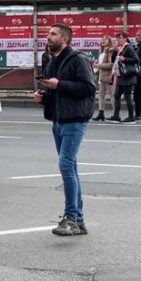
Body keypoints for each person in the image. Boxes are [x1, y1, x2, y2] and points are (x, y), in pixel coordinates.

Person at [34, 24, 96, 237]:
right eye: (48, 34)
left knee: (66, 165)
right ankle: (78, 220)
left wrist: (58, 85)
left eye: (53, 34)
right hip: (58, 120)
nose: (48, 37)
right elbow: (54, 91)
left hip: (74, 119)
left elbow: (89, 88)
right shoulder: (53, 62)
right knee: (71, 168)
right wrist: (43, 97)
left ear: (65, 39)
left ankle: (71, 217)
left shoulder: (78, 59)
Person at [109, 32, 139, 124]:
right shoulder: (119, 49)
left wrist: (124, 59)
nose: (118, 40)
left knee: (127, 96)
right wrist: (114, 51)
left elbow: (136, 59)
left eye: (120, 38)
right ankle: (116, 116)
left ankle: (131, 117)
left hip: (128, 76)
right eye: (117, 38)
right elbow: (113, 60)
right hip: (120, 76)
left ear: (125, 39)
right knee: (116, 95)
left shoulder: (128, 48)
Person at [92, 36, 114, 121]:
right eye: (102, 39)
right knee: (101, 95)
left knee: (112, 95)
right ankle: (101, 113)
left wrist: (98, 65)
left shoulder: (110, 51)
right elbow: (101, 63)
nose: (103, 41)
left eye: (106, 39)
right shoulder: (101, 51)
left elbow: (110, 65)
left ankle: (115, 113)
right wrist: (96, 63)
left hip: (108, 76)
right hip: (101, 76)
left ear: (109, 41)